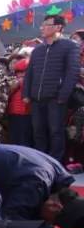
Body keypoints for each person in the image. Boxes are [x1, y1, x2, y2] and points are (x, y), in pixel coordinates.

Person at [23, 14, 80, 161]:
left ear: (58, 27)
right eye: (42, 25)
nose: (42, 27)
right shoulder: (37, 50)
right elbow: (29, 74)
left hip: (56, 98)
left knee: (56, 132)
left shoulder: (70, 46)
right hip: (37, 98)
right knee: (38, 132)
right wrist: (26, 94)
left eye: (47, 24)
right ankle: (40, 162)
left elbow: (72, 72)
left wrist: (63, 96)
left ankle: (56, 164)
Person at [7, 59, 32, 147]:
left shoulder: (30, 81)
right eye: (18, 72)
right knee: (14, 140)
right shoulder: (13, 81)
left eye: (23, 71)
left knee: (24, 140)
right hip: (14, 113)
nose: (20, 74)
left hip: (25, 114)